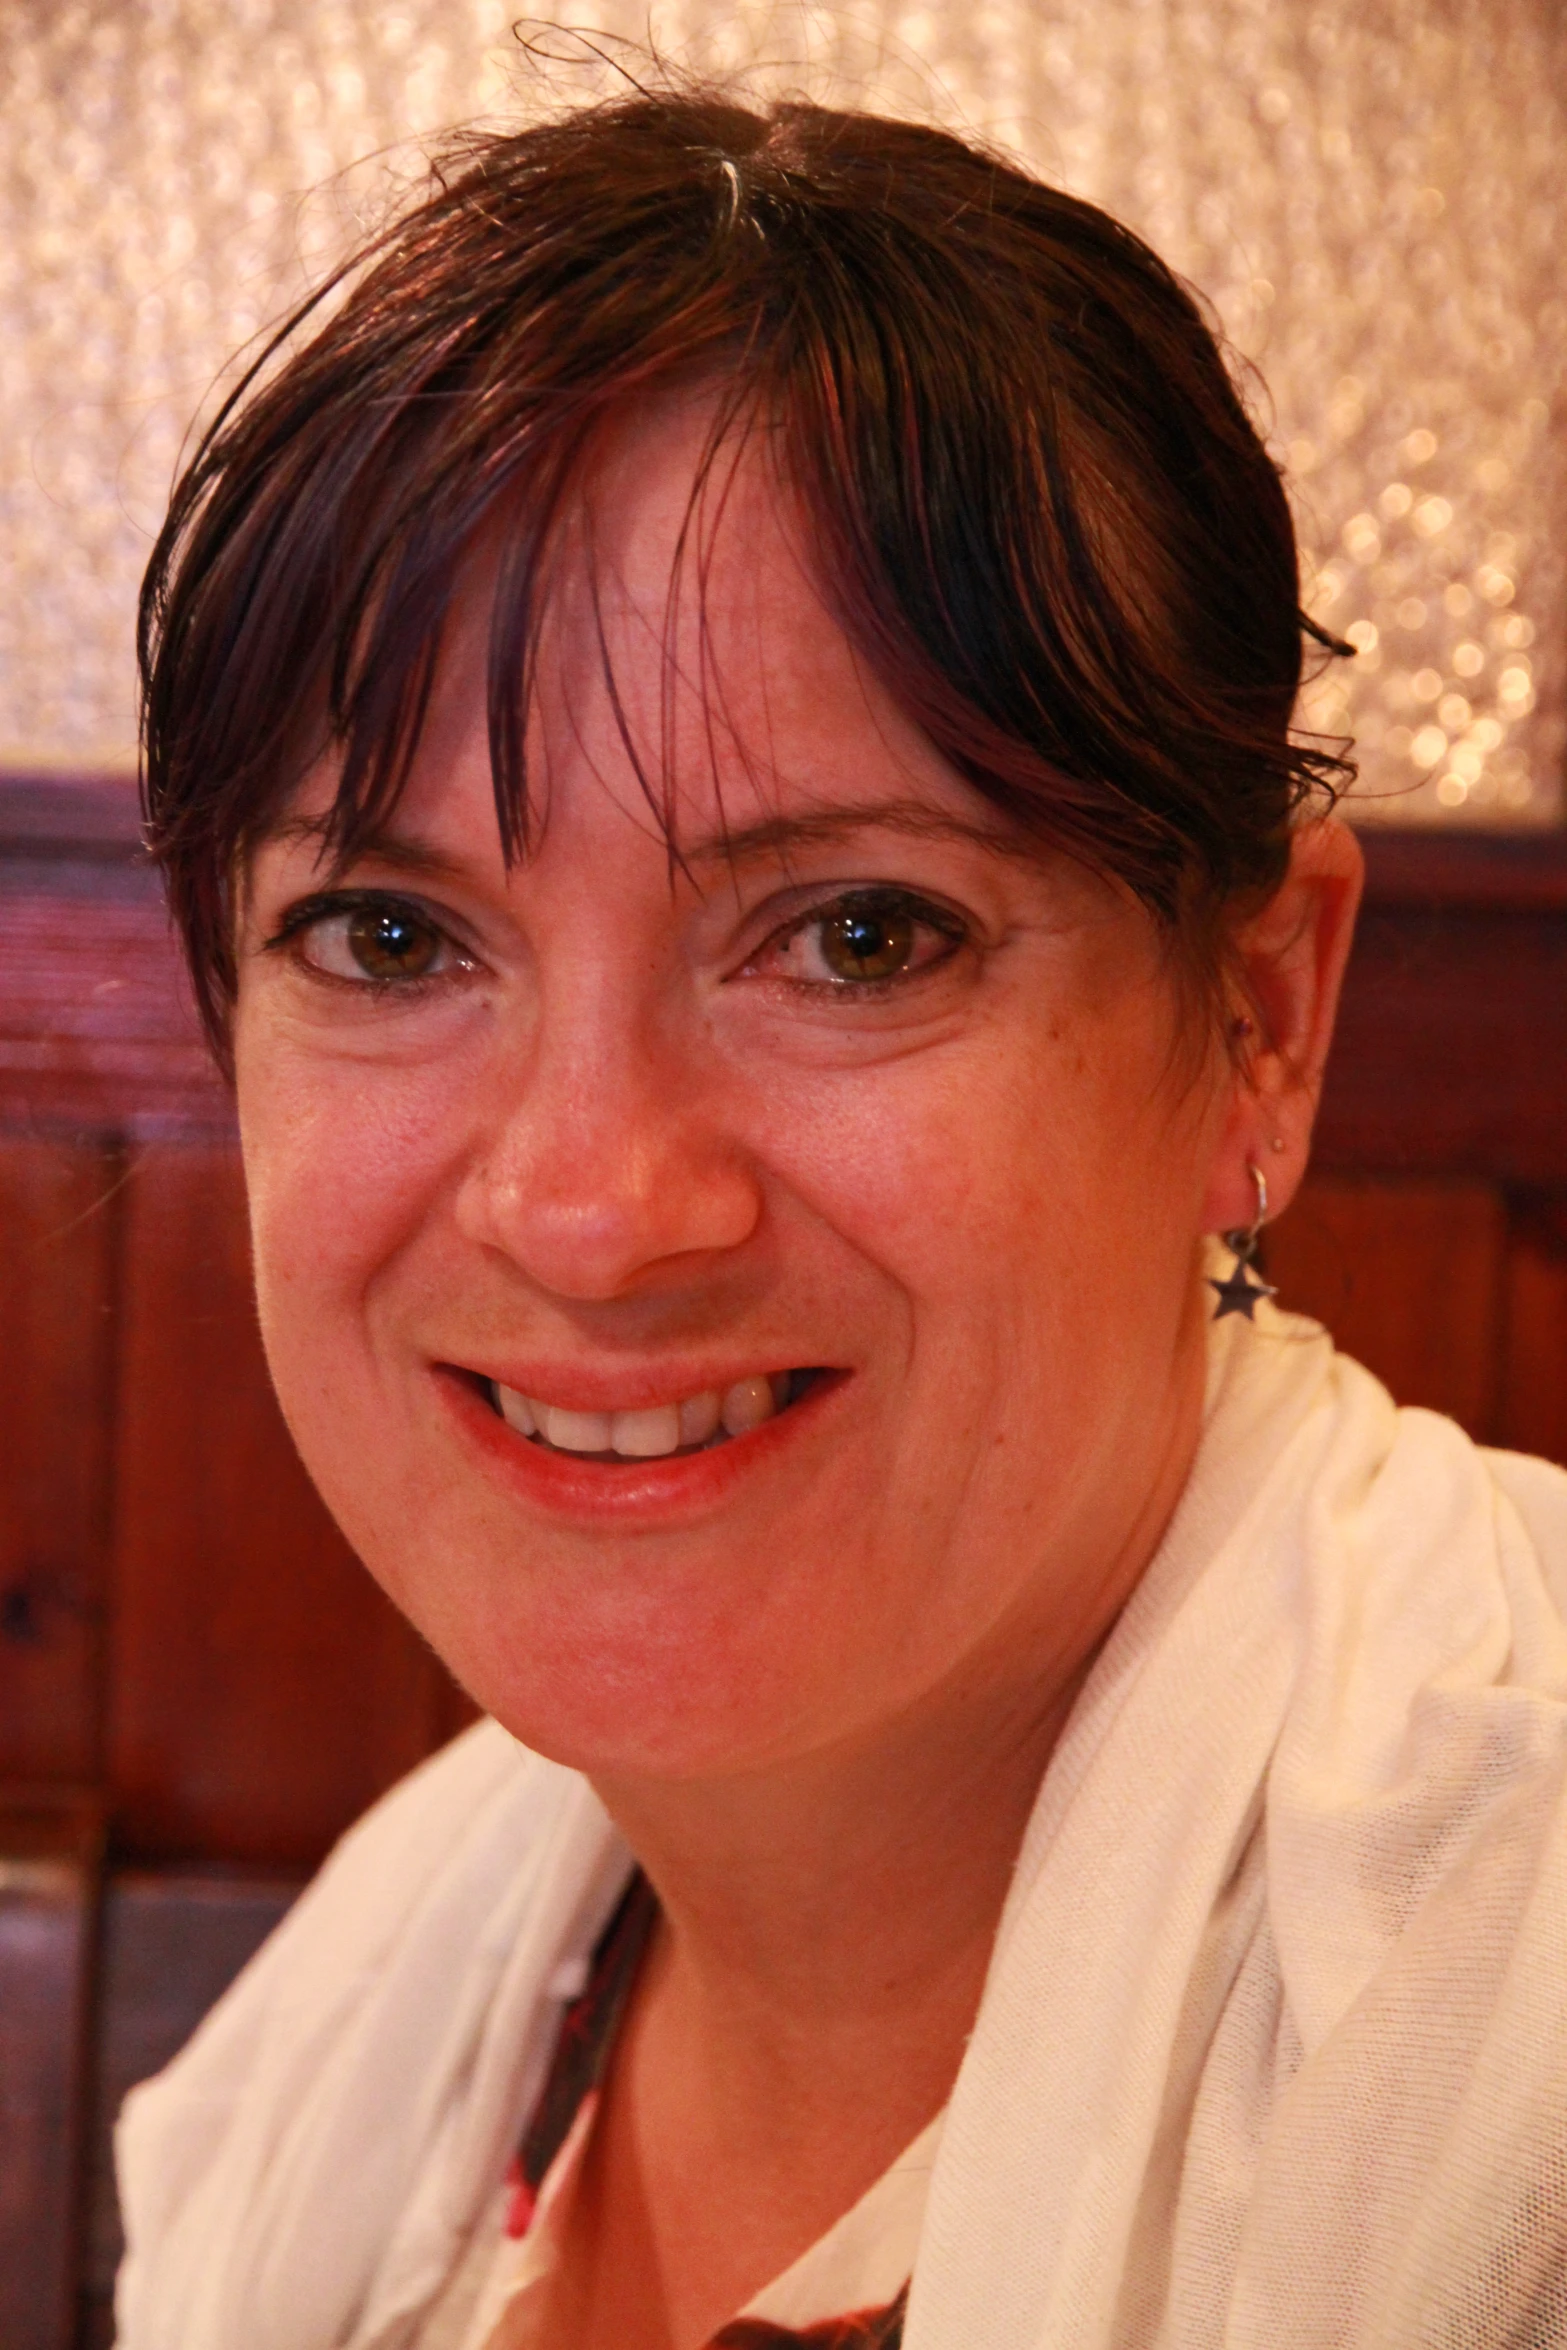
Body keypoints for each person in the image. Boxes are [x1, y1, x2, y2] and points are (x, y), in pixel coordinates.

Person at [114, 84, 1567, 2350]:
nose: (591, 1206)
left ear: (1262, 1020)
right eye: (393, 939)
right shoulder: (344, 2042)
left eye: (863, 935)